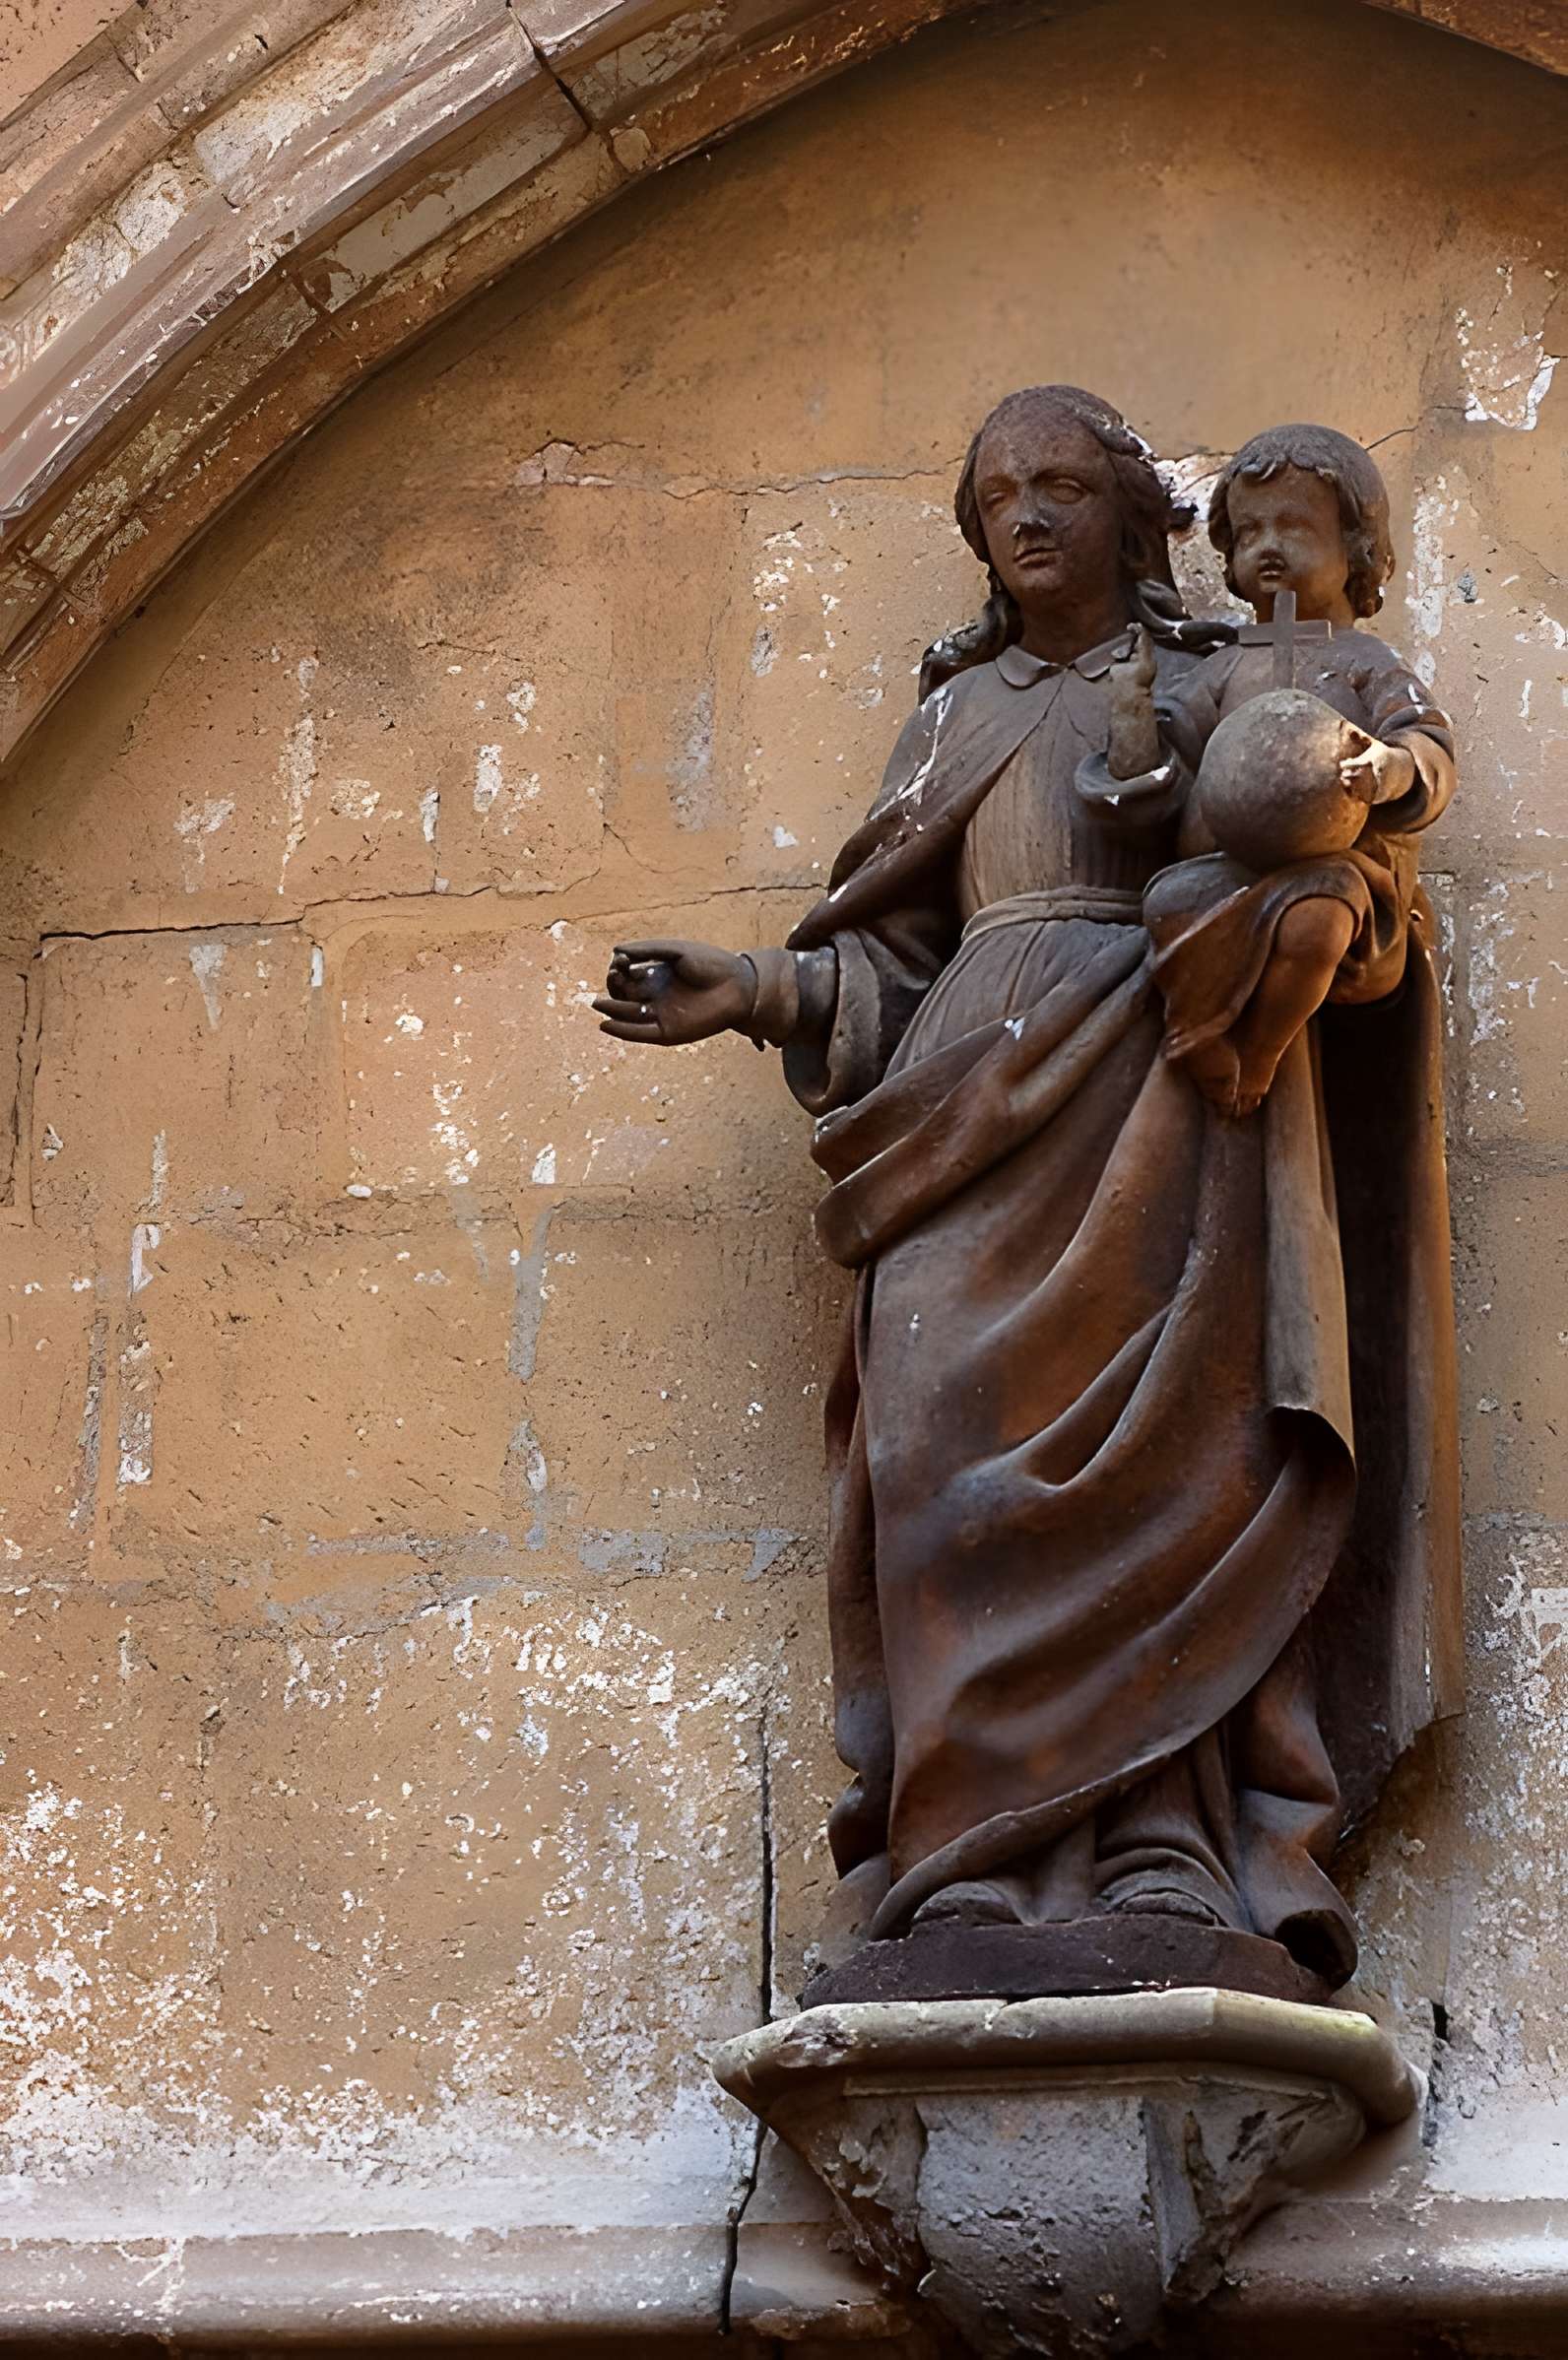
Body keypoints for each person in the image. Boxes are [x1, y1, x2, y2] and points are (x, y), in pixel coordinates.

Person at [593, 387, 1460, 1996]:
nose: (1029, 515)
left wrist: (1304, 870)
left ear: (1136, 518)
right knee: (938, 1464)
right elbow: (891, 953)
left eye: (1062, 485)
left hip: (1166, 1105)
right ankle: (965, 1868)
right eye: (999, 495)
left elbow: (1330, 852)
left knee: (1176, 1472)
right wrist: (750, 989)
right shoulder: (951, 720)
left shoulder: (1220, 678)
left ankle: (1163, 1848)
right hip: (960, 1121)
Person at [1105, 425, 1456, 1117]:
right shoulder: (1226, 667)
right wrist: (1131, 709)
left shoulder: (1362, 661)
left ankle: (1261, 1051)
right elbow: (1167, 758)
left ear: (1356, 550)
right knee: (1164, 906)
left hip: (1337, 878)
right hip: (1225, 874)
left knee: (1317, 922)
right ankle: (1196, 1033)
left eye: (1294, 526)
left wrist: (1390, 769)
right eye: (1249, 530)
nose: (1268, 546)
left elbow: (1424, 739)